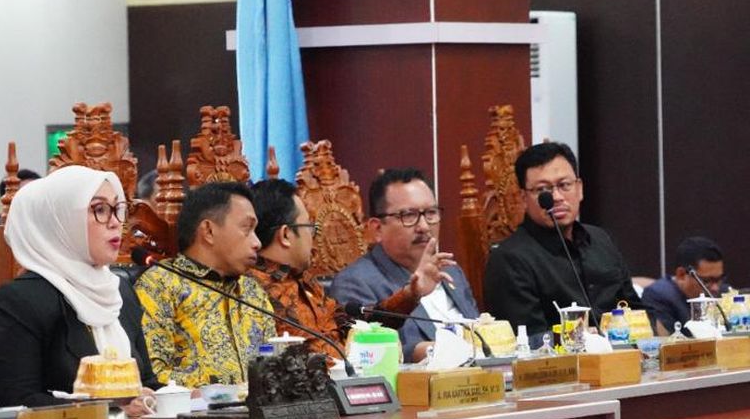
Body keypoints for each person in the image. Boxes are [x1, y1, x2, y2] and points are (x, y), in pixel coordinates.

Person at [0, 165, 158, 412]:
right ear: (61, 222)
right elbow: (17, 402)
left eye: (118, 209)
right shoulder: (19, 302)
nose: (115, 223)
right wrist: (113, 411)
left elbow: (146, 383)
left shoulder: (119, 290)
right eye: (100, 210)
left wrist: (188, 398)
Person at [484, 142, 640, 342]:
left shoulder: (600, 239)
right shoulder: (509, 260)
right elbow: (526, 341)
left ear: (580, 188)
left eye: (565, 185)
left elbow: (637, 310)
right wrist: (582, 338)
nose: (557, 197)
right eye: (543, 190)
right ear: (523, 198)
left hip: (624, 354)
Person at [330, 168, 480, 363]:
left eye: (431, 213)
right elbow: (366, 355)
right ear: (377, 229)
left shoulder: (451, 271)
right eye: (408, 215)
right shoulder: (355, 283)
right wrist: (427, 351)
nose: (424, 226)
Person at [136, 182, 273, 388]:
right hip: (193, 407)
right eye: (247, 228)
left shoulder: (253, 291)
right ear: (208, 231)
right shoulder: (159, 285)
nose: (257, 243)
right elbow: (153, 374)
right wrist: (220, 391)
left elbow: (272, 364)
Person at [247, 179, 348, 360]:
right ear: (286, 234)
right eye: (309, 227)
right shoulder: (255, 290)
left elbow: (347, 324)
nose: (313, 238)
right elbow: (303, 355)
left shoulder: (305, 279)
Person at [642, 237, 726, 334]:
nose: (716, 287)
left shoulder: (724, 292)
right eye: (706, 281)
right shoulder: (658, 296)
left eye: (719, 279)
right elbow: (667, 340)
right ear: (681, 274)